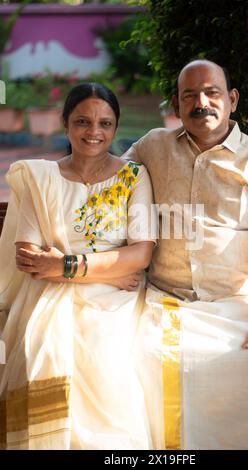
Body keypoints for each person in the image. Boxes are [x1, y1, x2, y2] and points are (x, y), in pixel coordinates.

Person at [123, 59, 248, 450]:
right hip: (166, 302)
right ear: (176, 103)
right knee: (138, 357)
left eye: (212, 92)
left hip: (238, 305)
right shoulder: (152, 148)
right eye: (190, 95)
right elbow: (109, 187)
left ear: (232, 100)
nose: (201, 102)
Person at [0, 83, 156, 450]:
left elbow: (140, 256)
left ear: (116, 128)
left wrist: (65, 266)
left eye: (105, 123)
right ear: (65, 124)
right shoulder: (41, 178)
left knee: (106, 351)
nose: (94, 132)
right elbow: (30, 259)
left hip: (117, 300)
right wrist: (105, 268)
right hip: (55, 294)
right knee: (40, 345)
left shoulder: (133, 177)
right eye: (83, 121)